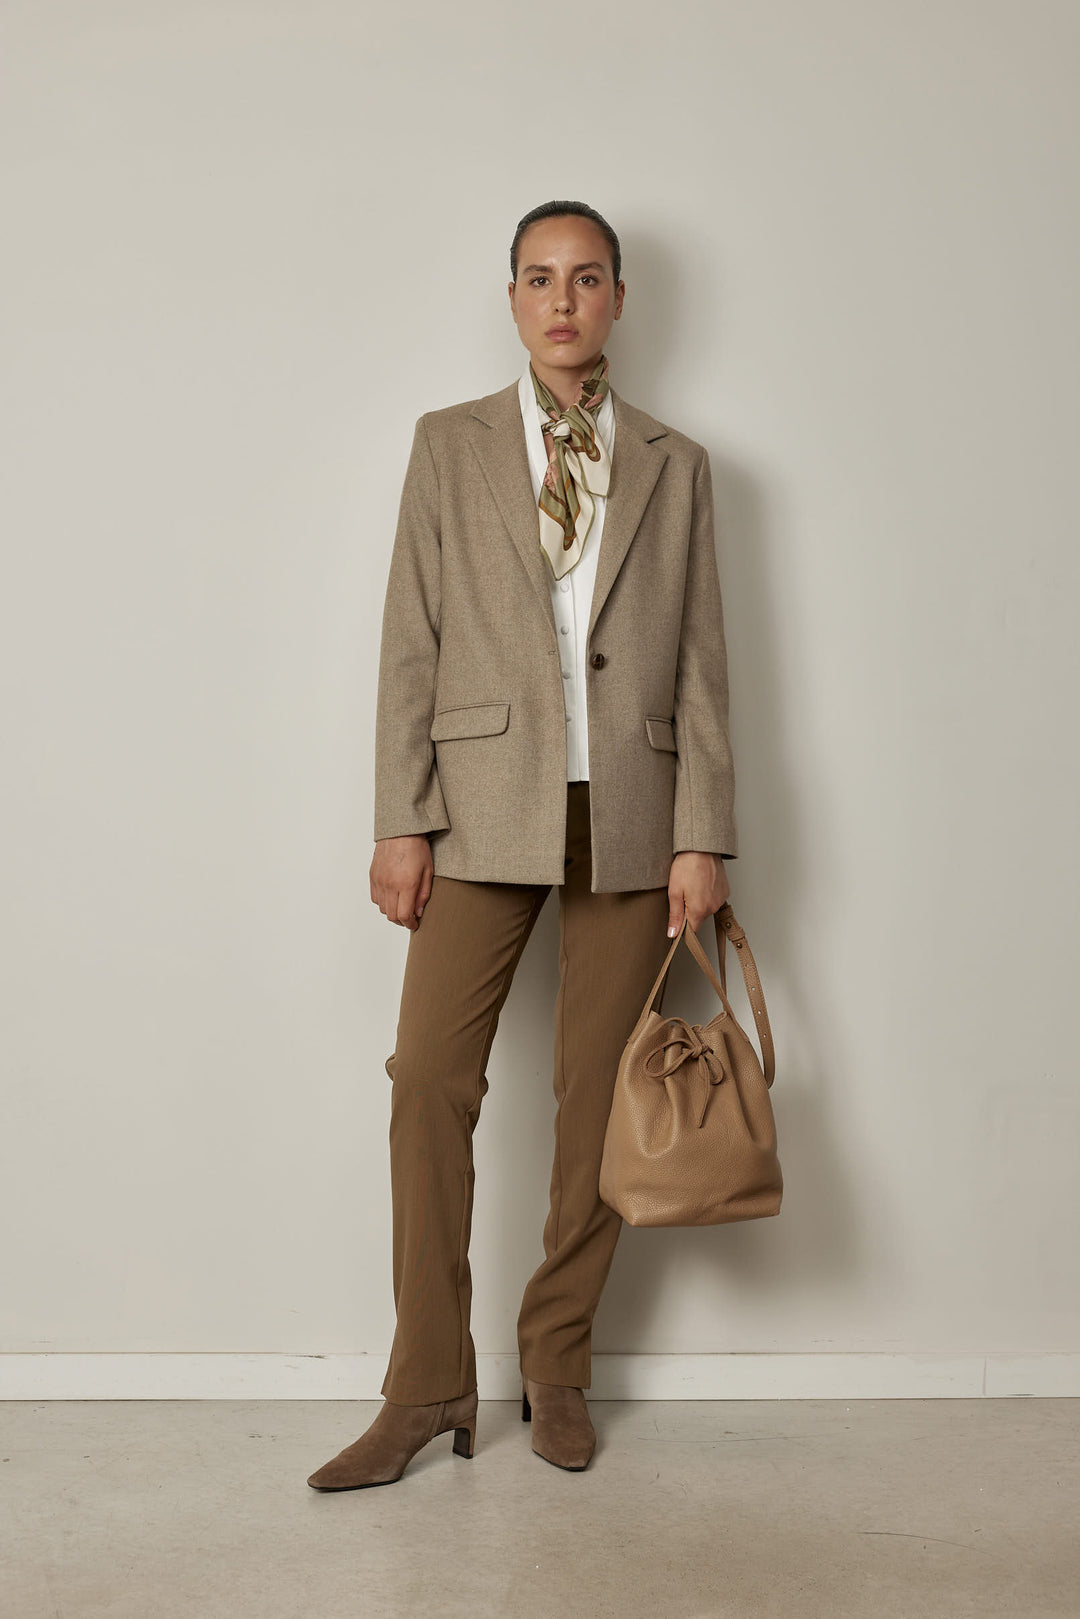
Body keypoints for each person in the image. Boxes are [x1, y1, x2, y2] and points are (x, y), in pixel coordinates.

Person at [307, 199, 738, 1490]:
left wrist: (704, 836)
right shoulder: (448, 444)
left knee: (598, 1099)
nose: (563, 301)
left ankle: (556, 1364)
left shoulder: (676, 462)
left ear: (619, 300)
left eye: (587, 278)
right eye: (540, 279)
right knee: (428, 1082)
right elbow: (411, 639)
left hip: (632, 810)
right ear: (511, 298)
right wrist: (401, 816)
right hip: (482, 804)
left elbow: (703, 663)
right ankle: (427, 1386)